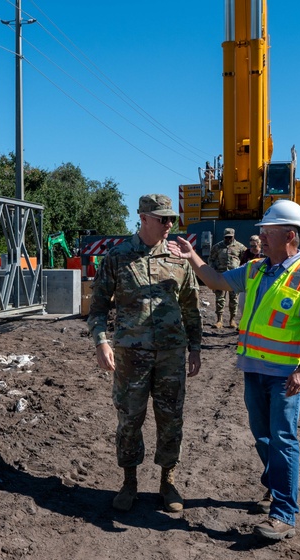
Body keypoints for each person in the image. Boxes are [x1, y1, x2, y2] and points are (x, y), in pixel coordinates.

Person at [167, 199, 300, 541]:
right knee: (263, 436)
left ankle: (283, 515)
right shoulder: (255, 269)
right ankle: (274, 486)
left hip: (286, 376)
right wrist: (192, 256)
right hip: (253, 370)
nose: (261, 239)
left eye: (267, 233)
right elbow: (217, 281)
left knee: (283, 440)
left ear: (289, 235)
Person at [88, 193, 203, 513]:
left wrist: (195, 347)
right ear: (143, 219)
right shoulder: (117, 257)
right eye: (163, 219)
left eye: (171, 219)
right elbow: (97, 308)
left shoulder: (180, 257)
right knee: (129, 419)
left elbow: (191, 306)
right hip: (130, 355)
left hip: (170, 354)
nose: (169, 224)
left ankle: (168, 482)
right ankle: (129, 482)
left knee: (171, 419)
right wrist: (100, 341)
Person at [208, 229, 246, 328]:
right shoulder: (217, 247)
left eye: (230, 237)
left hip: (234, 277)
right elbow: (211, 259)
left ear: (233, 236)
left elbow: (245, 260)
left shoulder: (240, 247)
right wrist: (212, 272)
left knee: (234, 299)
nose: (228, 239)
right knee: (220, 299)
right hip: (221, 276)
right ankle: (219, 320)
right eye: (226, 237)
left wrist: (241, 271)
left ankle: (232, 320)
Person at [236, 235, 262, 319]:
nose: (252, 248)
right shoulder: (247, 253)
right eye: (251, 246)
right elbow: (242, 265)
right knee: (242, 304)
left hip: (260, 283)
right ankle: (244, 322)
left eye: (254, 246)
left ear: (259, 244)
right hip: (247, 282)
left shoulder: (264, 254)